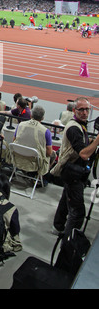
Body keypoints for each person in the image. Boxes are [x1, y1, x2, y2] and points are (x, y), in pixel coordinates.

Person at [51, 97, 99, 239]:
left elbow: (82, 145)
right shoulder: (74, 128)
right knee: (77, 212)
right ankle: (69, 240)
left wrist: (90, 142)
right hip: (73, 174)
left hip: (72, 171)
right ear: (74, 111)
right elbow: (84, 154)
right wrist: (97, 140)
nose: (84, 113)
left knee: (66, 199)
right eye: (81, 109)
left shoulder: (80, 125)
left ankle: (58, 226)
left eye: (87, 109)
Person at [13, 105, 55, 181]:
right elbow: (49, 153)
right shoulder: (45, 131)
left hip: (18, 160)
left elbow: (14, 142)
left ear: (31, 115)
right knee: (53, 154)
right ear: (42, 118)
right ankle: (41, 178)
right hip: (35, 164)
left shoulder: (20, 125)